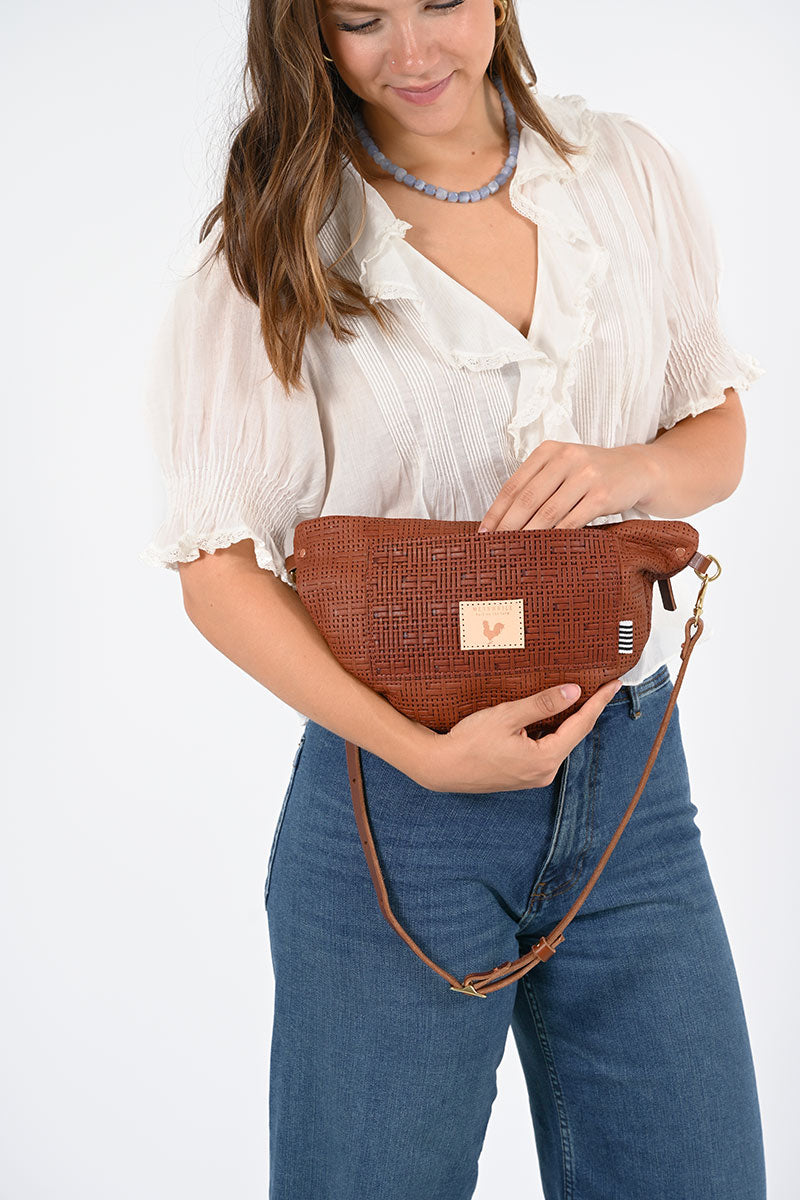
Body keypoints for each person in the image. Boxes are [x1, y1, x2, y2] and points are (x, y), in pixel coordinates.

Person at [139, 1, 768, 1196]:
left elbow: (714, 431)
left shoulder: (619, 173)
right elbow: (214, 570)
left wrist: (625, 471)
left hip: (633, 789)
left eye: (440, 1)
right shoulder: (271, 243)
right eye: (362, 18)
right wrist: (421, 756)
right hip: (397, 802)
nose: (414, 52)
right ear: (308, 34)